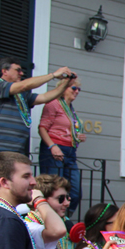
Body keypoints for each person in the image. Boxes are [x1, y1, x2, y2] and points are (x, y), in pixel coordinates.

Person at [0, 58, 74, 154]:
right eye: (18, 70)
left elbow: (45, 97)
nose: (21, 73)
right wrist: (53, 75)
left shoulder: (21, 95)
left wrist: (66, 82)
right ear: (4, 71)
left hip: (16, 150)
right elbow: (24, 85)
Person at [37, 79, 86, 215]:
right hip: (54, 151)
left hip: (70, 152)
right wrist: (52, 146)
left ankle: (64, 219)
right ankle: (49, 219)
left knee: (75, 192)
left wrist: (78, 136)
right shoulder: (53, 104)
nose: (76, 92)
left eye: (78, 89)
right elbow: (42, 128)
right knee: (54, 191)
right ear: (63, 88)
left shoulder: (70, 109)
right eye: (74, 88)